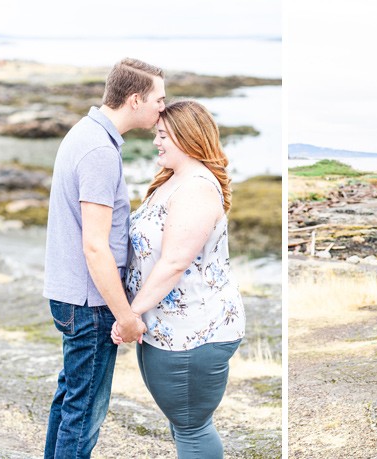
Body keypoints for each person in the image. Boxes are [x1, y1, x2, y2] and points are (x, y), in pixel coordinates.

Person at [43, 57, 165, 459]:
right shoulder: (98, 149)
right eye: (158, 100)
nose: (162, 108)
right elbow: (95, 245)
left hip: (70, 294)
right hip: (89, 302)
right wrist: (126, 316)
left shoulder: (85, 133)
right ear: (134, 99)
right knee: (84, 413)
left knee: (69, 400)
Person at [111, 100, 245, 458]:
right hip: (168, 329)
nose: (156, 142)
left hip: (194, 334)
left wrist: (129, 316)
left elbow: (172, 263)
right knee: (184, 425)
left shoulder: (197, 188)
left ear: (187, 138)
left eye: (163, 136)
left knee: (192, 428)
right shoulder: (173, 181)